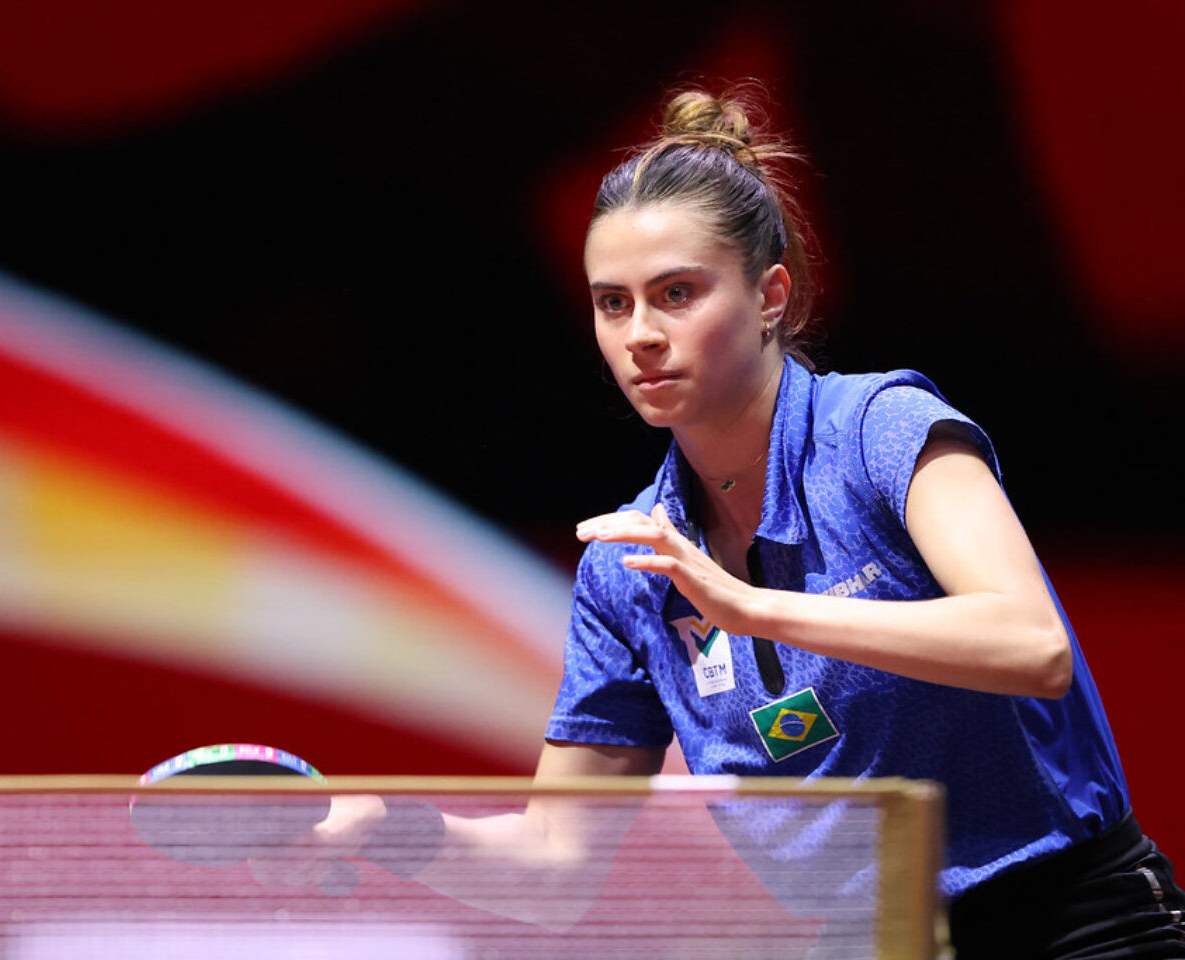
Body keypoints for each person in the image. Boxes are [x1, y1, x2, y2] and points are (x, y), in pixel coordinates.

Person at [273, 86, 1185, 957]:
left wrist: (752, 610)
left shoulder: (881, 433)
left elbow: (1031, 644)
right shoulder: (630, 566)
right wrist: (393, 829)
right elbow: (557, 863)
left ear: (769, 296)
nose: (640, 333)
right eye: (613, 302)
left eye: (677, 293)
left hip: (1071, 925)